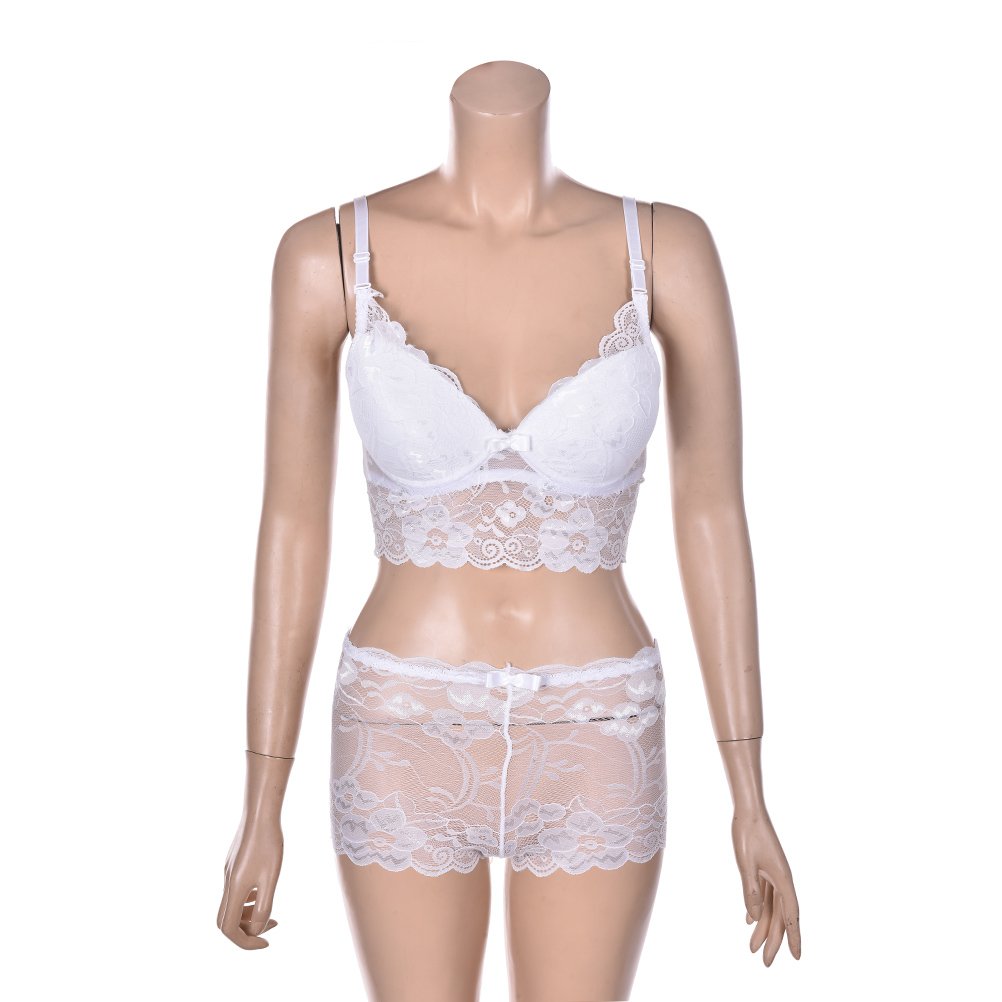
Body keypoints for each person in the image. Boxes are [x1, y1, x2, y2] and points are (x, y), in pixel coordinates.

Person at [218, 60, 801, 1001]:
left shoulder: (664, 247)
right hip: (401, 721)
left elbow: (714, 513)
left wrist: (751, 792)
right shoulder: (328, 253)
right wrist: (260, 802)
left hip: (600, 723)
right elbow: (290, 526)